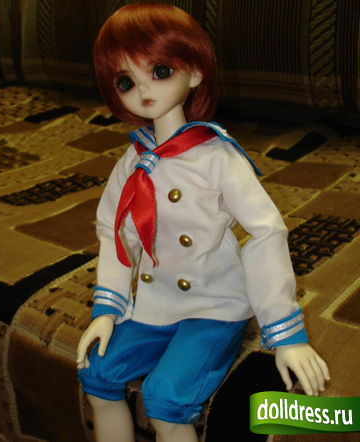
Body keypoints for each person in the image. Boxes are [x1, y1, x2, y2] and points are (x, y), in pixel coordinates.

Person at [77, 4, 330, 442]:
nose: (143, 90)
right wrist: (107, 309)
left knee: (165, 400)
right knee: (97, 375)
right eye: (125, 81)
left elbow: (265, 231)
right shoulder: (132, 162)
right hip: (154, 304)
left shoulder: (217, 157)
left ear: (194, 72)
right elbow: (115, 234)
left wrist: (286, 333)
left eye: (160, 71)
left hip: (214, 305)